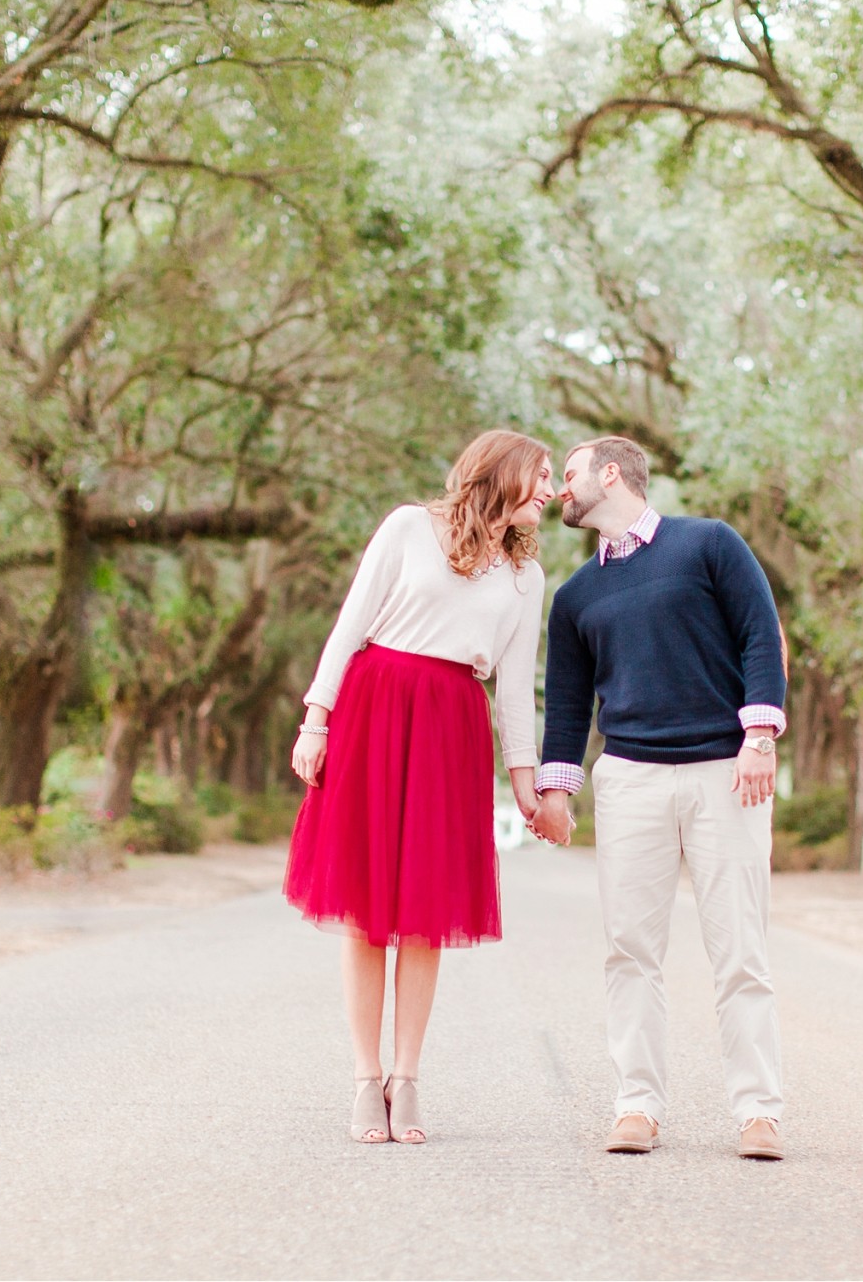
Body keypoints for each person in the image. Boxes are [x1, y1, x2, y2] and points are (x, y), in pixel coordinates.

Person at [285, 430, 553, 1146]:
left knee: (426, 910)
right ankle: (364, 1079)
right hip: (375, 709)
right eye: (543, 474)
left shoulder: (527, 580)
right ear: (501, 474)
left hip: (451, 727)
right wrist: (317, 719)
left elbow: (515, 695)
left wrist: (526, 789)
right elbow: (350, 626)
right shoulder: (409, 527)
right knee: (368, 909)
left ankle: (407, 1079)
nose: (553, 490)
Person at [528, 435, 789, 1162]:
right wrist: (555, 788)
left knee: (740, 950)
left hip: (725, 775)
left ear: (612, 474)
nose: (559, 490)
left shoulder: (709, 544)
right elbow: (569, 702)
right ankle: (636, 1104)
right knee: (630, 951)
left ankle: (759, 1111)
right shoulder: (575, 595)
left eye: (569, 474)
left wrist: (759, 736)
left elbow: (759, 639)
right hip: (631, 779)